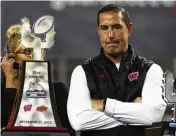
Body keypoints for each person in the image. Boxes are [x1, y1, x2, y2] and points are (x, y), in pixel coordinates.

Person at [67, 4, 167, 136]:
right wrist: (133, 110)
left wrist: (104, 105)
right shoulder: (82, 72)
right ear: (98, 31)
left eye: (116, 27)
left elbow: (152, 117)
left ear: (129, 29)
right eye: (104, 28)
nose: (110, 35)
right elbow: (78, 121)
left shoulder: (150, 70)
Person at [1, 25, 74, 134]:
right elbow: (5, 126)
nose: (32, 55)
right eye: (26, 51)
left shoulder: (57, 90)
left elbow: (69, 131)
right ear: (11, 58)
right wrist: (10, 80)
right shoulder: (3, 90)